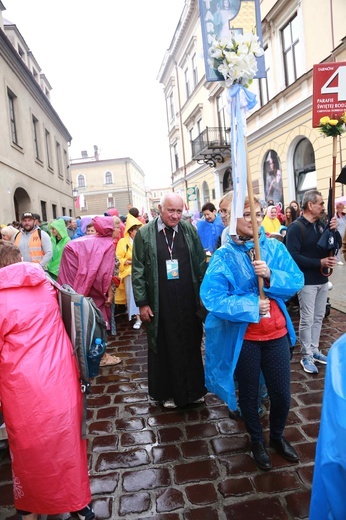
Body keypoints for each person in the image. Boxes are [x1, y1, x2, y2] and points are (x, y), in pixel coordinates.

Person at [200, 196, 304, 471]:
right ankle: (256, 440)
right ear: (233, 218)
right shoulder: (223, 256)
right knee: (249, 396)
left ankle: (277, 437)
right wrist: (248, 304)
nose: (255, 219)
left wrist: (270, 275)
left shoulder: (272, 247)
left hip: (277, 335)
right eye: (247, 214)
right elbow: (212, 297)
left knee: (281, 395)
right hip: (245, 339)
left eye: (258, 213)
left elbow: (295, 280)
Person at [0, 241, 94, 520]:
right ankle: (78, 503)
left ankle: (31, 506)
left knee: (28, 447)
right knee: (67, 439)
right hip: (61, 372)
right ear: (20, 259)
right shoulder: (46, 283)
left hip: (22, 385)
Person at [132, 192, 207, 408]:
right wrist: (143, 302)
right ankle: (167, 394)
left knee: (191, 343)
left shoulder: (189, 230)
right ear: (160, 209)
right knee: (165, 345)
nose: (175, 216)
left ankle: (193, 391)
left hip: (187, 298)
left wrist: (204, 296)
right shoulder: (145, 234)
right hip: (160, 301)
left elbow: (200, 263)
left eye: (178, 211)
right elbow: (137, 270)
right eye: (170, 211)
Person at [286, 189, 338, 374]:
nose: (323, 207)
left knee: (318, 317)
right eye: (321, 204)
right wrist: (319, 262)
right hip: (306, 281)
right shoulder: (295, 228)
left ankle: (314, 350)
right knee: (307, 319)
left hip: (322, 279)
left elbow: (333, 245)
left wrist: (334, 230)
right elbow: (293, 257)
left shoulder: (322, 225)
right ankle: (306, 355)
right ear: (310, 205)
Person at [58, 216, 121, 367]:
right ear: (110, 229)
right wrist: (109, 293)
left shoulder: (88, 241)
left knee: (80, 322)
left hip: (72, 286)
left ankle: (84, 355)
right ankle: (101, 356)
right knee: (98, 323)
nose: (119, 230)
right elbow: (103, 276)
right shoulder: (105, 245)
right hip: (91, 292)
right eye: (117, 226)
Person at [116, 213, 143, 329]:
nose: (138, 232)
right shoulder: (123, 242)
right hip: (129, 272)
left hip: (142, 270)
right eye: (136, 230)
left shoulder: (142, 240)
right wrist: (126, 262)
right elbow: (118, 258)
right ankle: (137, 317)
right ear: (131, 231)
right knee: (132, 295)